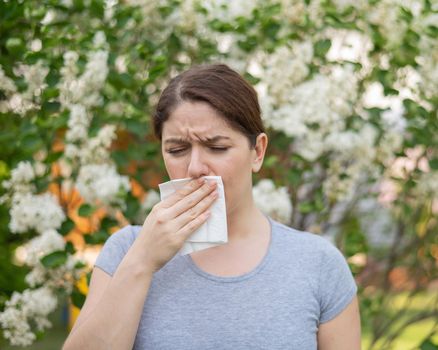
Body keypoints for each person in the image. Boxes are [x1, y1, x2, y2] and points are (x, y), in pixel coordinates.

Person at [62, 64, 361, 350]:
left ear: (257, 152)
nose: (195, 167)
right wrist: (142, 261)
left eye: (217, 147)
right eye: (177, 150)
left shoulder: (318, 264)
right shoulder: (126, 250)